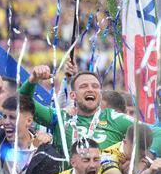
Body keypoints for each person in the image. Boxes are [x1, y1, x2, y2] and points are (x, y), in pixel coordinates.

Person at [19, 65, 161, 157]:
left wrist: (148, 156)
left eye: (95, 86)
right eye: (84, 86)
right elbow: (22, 103)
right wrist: (32, 80)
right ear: (73, 95)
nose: (90, 89)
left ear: (99, 93)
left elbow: (157, 133)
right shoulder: (60, 118)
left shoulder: (115, 118)